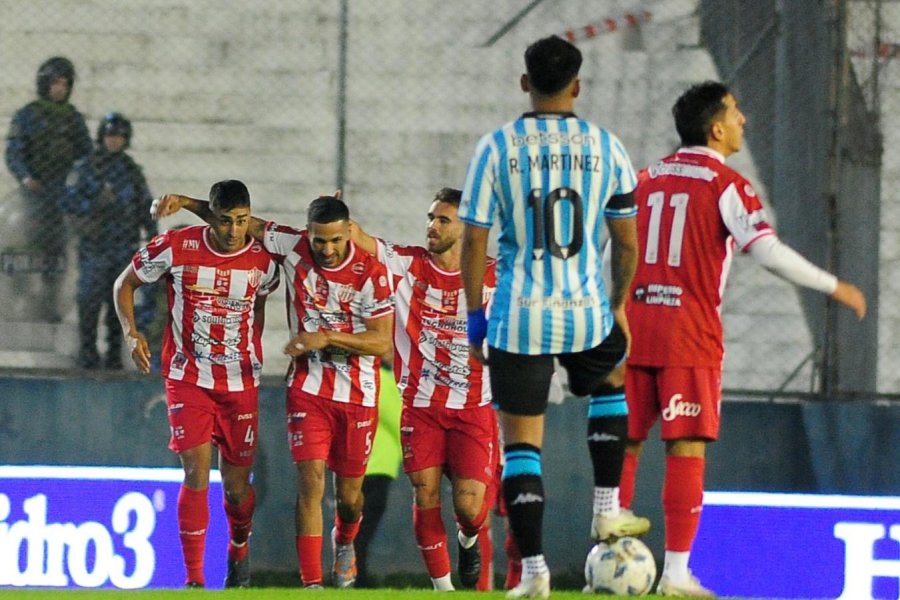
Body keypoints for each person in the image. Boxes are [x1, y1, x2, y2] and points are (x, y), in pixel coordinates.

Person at [618, 81, 867, 597]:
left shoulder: (645, 179)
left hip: (634, 326)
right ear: (715, 128)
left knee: (626, 441)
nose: (743, 120)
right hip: (689, 336)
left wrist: (613, 310)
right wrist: (832, 285)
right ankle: (675, 574)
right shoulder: (725, 184)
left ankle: (608, 561)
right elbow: (767, 251)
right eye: (735, 112)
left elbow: (616, 249)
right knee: (685, 447)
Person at [458, 35, 649, 599]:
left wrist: (475, 320)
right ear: (577, 86)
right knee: (611, 381)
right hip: (585, 308)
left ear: (525, 83)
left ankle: (535, 574)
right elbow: (627, 242)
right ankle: (608, 508)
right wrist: (616, 305)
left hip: (519, 315)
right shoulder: (605, 145)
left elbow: (473, 243)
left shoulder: (497, 147)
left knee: (522, 446)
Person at [153, 193, 394, 589]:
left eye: (335, 241)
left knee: (350, 499)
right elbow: (239, 222)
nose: (327, 249)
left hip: (357, 394)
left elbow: (382, 342)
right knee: (311, 481)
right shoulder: (293, 246)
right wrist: (183, 202)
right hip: (308, 389)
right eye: (319, 240)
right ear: (308, 234)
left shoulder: (373, 271)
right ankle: (312, 583)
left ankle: (346, 540)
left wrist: (325, 337)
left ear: (349, 233)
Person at [113, 180, 280, 588]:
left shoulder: (264, 261)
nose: (234, 230)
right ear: (213, 217)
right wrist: (131, 332)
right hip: (188, 377)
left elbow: (260, 302)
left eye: (242, 221)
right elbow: (125, 284)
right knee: (196, 475)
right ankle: (194, 581)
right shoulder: (176, 245)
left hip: (240, 381)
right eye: (225, 221)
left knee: (238, 491)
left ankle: (239, 546)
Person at [349, 187, 499, 591]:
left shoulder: (494, 275)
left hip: (472, 406)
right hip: (420, 405)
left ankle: (468, 540)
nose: (432, 226)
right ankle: (443, 589)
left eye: (442, 219)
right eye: (431, 218)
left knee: (469, 508)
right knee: (425, 492)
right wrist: (341, 218)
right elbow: (360, 238)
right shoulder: (407, 266)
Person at [63, 112, 156, 370]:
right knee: (90, 299)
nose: (114, 141)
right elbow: (68, 201)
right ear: (101, 137)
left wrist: (152, 234)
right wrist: (94, 204)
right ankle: (88, 351)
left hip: (123, 246)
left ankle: (115, 352)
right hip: (94, 245)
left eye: (119, 137)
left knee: (119, 301)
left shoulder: (131, 170)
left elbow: (145, 204)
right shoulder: (85, 167)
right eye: (110, 136)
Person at [5, 56, 92, 322]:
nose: (60, 89)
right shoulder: (29, 115)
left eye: (65, 84)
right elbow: (15, 152)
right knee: (24, 249)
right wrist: (25, 177)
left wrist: (76, 180)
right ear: (45, 84)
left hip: (62, 196)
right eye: (55, 83)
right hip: (33, 195)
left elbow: (86, 155)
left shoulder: (73, 119)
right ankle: (17, 297)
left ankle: (51, 301)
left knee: (58, 253)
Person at [354, 355, 403, 588]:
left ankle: (354, 576)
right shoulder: (384, 378)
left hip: (362, 463)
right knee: (363, 529)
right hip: (377, 466)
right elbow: (398, 420)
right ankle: (357, 579)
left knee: (356, 526)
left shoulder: (366, 375)